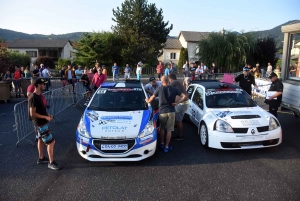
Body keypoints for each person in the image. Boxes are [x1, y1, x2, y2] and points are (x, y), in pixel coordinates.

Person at [145, 76, 187, 153]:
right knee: (169, 130)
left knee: (162, 128)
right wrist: (177, 102)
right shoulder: (174, 89)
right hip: (171, 111)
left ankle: (161, 143)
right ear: (168, 81)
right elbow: (184, 96)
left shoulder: (160, 89)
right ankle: (167, 147)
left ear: (162, 82)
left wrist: (147, 101)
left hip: (162, 112)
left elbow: (152, 97)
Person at [28, 78, 60, 170]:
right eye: (43, 84)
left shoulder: (39, 96)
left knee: (40, 140)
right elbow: (32, 113)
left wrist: (47, 115)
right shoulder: (33, 98)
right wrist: (45, 117)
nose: (44, 86)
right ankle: (51, 162)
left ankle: (41, 158)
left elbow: (40, 110)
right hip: (40, 124)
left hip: (41, 122)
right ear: (38, 85)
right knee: (51, 142)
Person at [168, 73, 189, 140]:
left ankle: (180, 136)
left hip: (182, 104)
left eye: (169, 80)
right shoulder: (178, 82)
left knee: (179, 120)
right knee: (177, 118)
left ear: (170, 79)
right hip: (185, 103)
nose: (169, 81)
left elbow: (167, 88)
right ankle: (175, 128)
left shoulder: (174, 82)